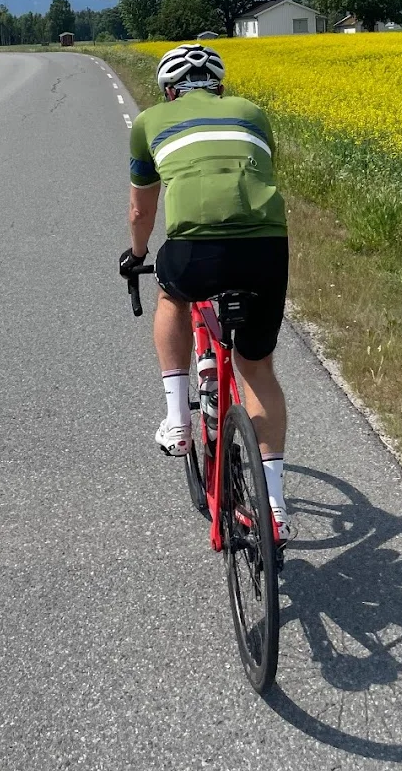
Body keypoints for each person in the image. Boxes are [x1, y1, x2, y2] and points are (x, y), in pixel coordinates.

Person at [119, 45, 292, 540]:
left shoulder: (149, 121)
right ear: (219, 87)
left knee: (172, 294)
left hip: (197, 250)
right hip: (265, 245)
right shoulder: (251, 113)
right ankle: (275, 506)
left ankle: (177, 420)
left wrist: (135, 256)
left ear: (169, 91)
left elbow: (141, 213)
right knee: (256, 368)